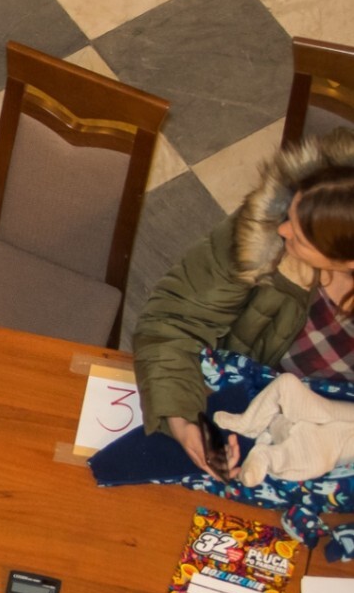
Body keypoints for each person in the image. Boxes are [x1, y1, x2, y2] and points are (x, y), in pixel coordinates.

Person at [133, 132, 354, 476]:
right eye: (290, 215)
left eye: (300, 237)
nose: (282, 230)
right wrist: (183, 420)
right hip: (234, 402)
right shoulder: (261, 231)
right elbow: (172, 322)